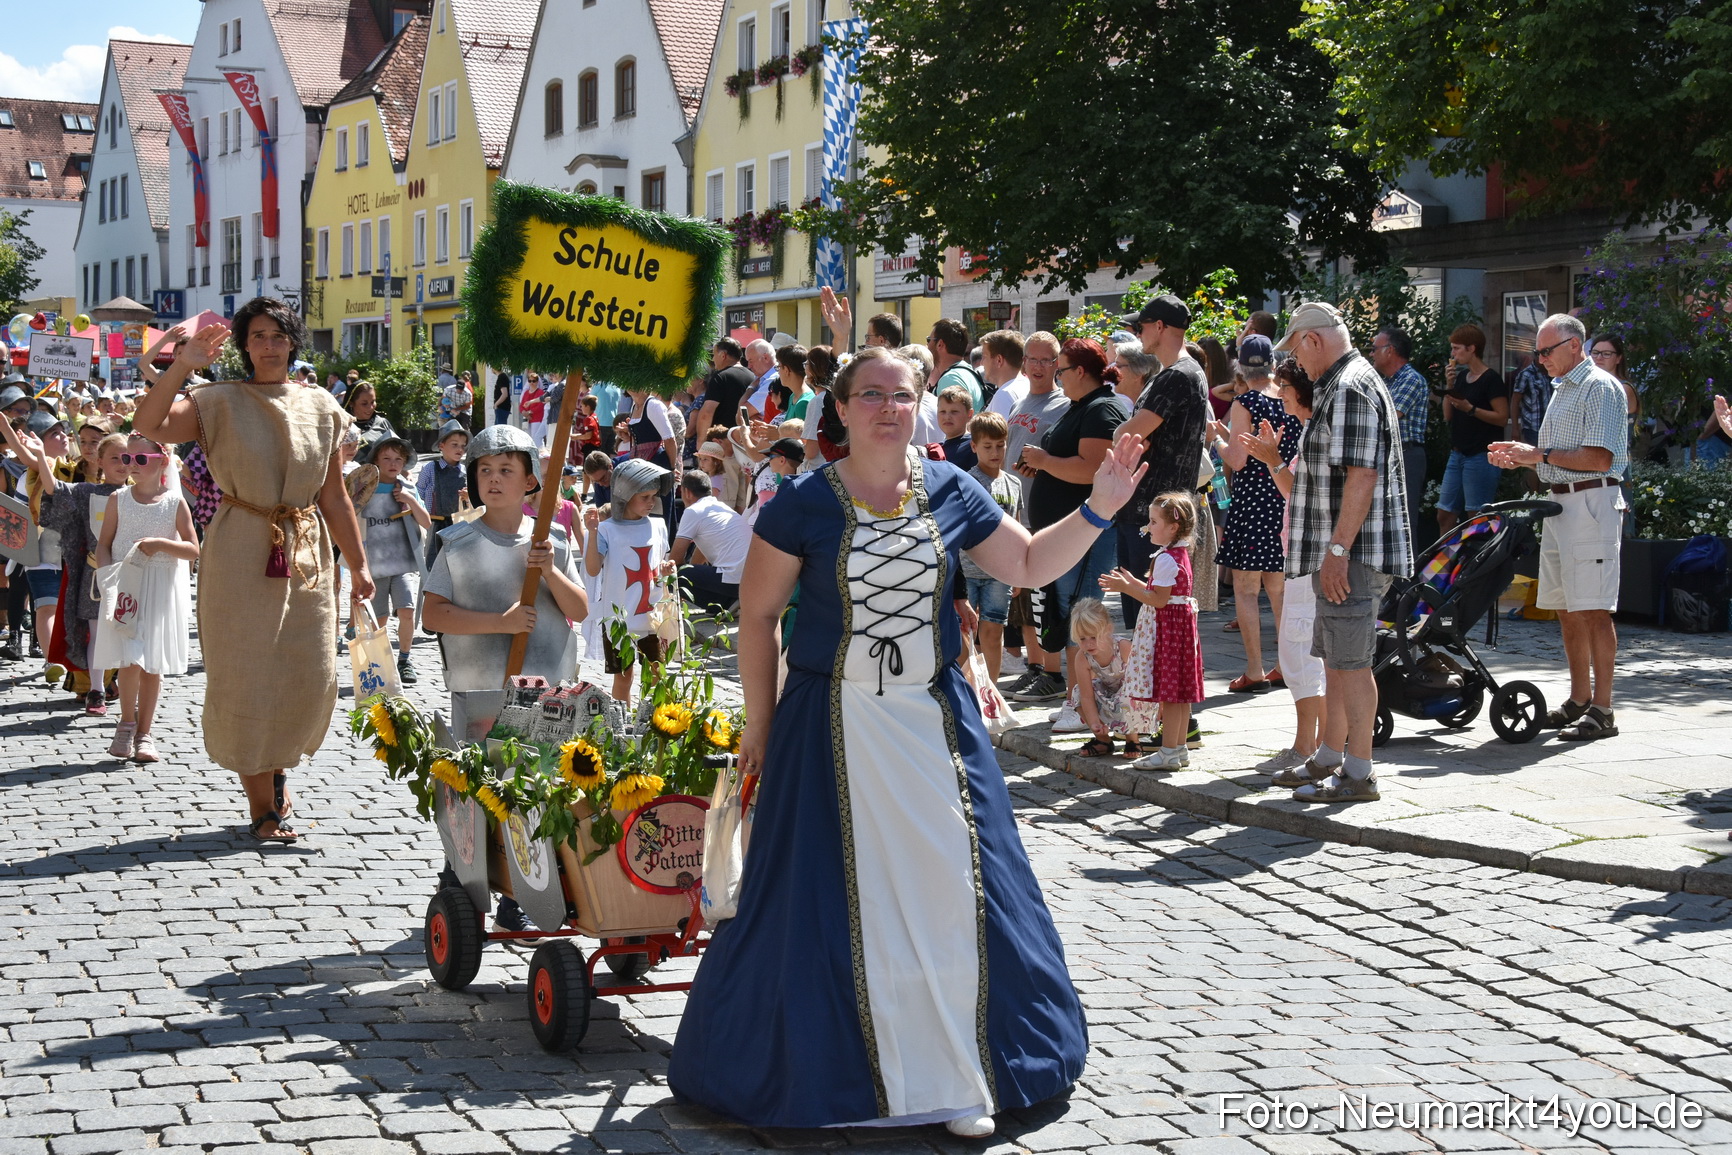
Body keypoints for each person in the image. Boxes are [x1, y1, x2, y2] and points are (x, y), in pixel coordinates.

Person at [670, 345, 1148, 1136]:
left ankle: (958, 1076)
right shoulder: (799, 505)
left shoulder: (953, 487)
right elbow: (756, 617)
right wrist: (760, 722)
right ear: (843, 406)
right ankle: (842, 1079)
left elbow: (1027, 563)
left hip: (934, 724)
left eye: (902, 394)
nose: (888, 408)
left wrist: (1099, 505)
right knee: (823, 900)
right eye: (871, 395)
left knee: (957, 889)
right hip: (827, 723)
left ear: (920, 402)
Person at [131, 297, 373, 844]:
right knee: (246, 677)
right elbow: (147, 425)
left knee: (305, 672)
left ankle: (278, 768)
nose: (268, 344)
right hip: (241, 547)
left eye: (278, 335)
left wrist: (358, 564)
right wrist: (184, 364)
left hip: (307, 550)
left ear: (293, 342)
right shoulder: (215, 400)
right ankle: (263, 807)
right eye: (258, 335)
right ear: (243, 344)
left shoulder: (321, 406)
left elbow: (334, 496)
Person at [1272, 301, 1412, 803]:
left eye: (1297, 352)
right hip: (1343, 550)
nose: (1299, 366)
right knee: (1336, 656)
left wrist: (1336, 549)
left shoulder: (1350, 386)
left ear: (1313, 340)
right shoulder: (1345, 381)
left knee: (1351, 662)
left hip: (1351, 552)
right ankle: (1333, 755)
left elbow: (1362, 475)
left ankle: (1358, 774)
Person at [1489, 313, 1629, 742]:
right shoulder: (1566, 385)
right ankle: (1579, 700)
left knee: (1592, 608)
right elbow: (1554, 456)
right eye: (1537, 351)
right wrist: (1524, 456)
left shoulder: (1599, 386)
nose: (1539, 358)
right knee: (1566, 608)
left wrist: (1536, 454)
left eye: (1546, 350)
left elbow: (1599, 459)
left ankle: (1602, 709)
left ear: (1574, 345)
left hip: (1591, 500)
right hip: (1561, 503)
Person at [423, 423, 588, 741]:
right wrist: (501, 622)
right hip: (479, 690)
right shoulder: (458, 544)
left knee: (543, 783)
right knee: (481, 786)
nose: (493, 478)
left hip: (547, 690)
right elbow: (432, 615)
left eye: (505, 469)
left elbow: (579, 611)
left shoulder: (550, 539)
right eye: (484, 469)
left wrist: (550, 572)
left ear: (530, 480)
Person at [1014, 338, 1127, 708]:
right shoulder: (1080, 406)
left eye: (1061, 370)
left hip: (1087, 533)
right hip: (1067, 532)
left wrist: (1046, 462)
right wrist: (1044, 464)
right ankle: (1079, 697)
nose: (1058, 377)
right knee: (1067, 613)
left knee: (1083, 616)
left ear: (1080, 371)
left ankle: (1088, 701)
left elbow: (1093, 469)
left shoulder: (1102, 409)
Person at [1239, 360, 1328, 774]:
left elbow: (1302, 495)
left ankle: (1310, 749)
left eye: (1286, 386)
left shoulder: (1316, 432)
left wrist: (1272, 458)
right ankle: (1310, 746)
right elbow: (1293, 492)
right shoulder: (1310, 430)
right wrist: (1272, 457)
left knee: (1302, 656)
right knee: (1299, 656)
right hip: (1302, 555)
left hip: (1311, 560)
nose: (1280, 391)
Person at [90, 434, 198, 764]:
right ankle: (126, 723)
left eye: (140, 460)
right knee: (130, 658)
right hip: (128, 587)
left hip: (161, 587)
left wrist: (160, 544)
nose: (132, 466)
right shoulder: (118, 500)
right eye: (126, 459)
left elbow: (194, 549)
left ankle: (145, 733)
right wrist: (107, 578)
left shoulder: (174, 503)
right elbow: (104, 543)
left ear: (162, 461)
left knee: (152, 663)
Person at [1113, 295, 1209, 630]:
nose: (1137, 332)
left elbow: (1130, 435)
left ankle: (1151, 683)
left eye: (1141, 326)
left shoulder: (1178, 375)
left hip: (1153, 515)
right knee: (1144, 622)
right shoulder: (1174, 373)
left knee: (1148, 622)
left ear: (1159, 327)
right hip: (1152, 512)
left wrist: (1124, 433)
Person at [1212, 334, 1301, 692]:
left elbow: (1236, 459)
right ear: (1273, 365)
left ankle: (1254, 670)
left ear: (1240, 367)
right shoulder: (1290, 399)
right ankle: (1286, 665)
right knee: (1278, 590)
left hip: (1251, 501)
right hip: (1283, 495)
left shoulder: (1245, 402)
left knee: (1247, 590)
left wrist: (1217, 438)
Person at [1101, 489, 1204, 770]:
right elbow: (1162, 592)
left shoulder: (1166, 558)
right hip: (1179, 630)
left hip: (1168, 632)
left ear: (1173, 527)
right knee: (1180, 694)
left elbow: (1158, 600)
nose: (1148, 527)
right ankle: (1179, 748)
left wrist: (1126, 588)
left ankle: (1169, 750)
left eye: (1154, 522)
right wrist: (1135, 582)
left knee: (1171, 694)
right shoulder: (1177, 553)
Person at [31, 431, 128, 713]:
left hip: (132, 576)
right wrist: (40, 456)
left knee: (129, 633)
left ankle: (128, 688)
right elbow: (55, 490)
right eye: (114, 458)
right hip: (94, 576)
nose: (122, 464)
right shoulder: (87, 493)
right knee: (97, 633)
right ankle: (96, 690)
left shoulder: (138, 495)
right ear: (99, 461)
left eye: (127, 457)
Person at [1000, 332, 1071, 702]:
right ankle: (1036, 666)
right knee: (1023, 599)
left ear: (1058, 363)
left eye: (1048, 360)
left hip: (1042, 512)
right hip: (1016, 509)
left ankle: (1053, 672)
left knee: (1045, 596)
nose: (1040, 366)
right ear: (1024, 362)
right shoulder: (1021, 401)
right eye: (1034, 359)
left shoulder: (1062, 405)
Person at [583, 458, 673, 703]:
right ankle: (622, 723)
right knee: (624, 677)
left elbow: (658, 567)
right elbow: (592, 569)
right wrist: (591, 533)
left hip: (651, 617)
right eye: (644, 496)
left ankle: (656, 722)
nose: (651, 502)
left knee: (658, 674)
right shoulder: (607, 530)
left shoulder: (658, 526)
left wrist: (666, 571)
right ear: (626, 495)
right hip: (618, 619)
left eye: (653, 496)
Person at [354, 435, 429, 685]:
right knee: (379, 620)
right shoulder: (363, 488)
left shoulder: (407, 488)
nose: (393, 463)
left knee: (407, 611)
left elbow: (426, 521)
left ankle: (405, 659)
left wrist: (408, 501)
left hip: (404, 563)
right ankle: (379, 663)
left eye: (398, 459)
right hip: (373, 565)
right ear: (375, 460)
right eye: (386, 458)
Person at [961, 411, 1022, 683]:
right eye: (987, 446)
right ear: (974, 446)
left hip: (1001, 573)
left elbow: (1018, 529)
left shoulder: (1014, 483)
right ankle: (963, 690)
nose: (995, 452)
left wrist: (1019, 570)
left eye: (1000, 445)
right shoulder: (965, 481)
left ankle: (992, 693)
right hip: (967, 570)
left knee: (993, 631)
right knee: (964, 632)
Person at [1436, 323, 1509, 535]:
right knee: (1444, 513)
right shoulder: (1461, 377)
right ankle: (1445, 565)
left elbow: (1502, 418)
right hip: (1458, 452)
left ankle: (1477, 564)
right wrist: (1449, 385)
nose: (1453, 353)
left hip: (1481, 455)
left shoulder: (1491, 379)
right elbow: (1447, 416)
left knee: (1476, 517)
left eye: (1457, 348)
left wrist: (1471, 409)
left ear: (1472, 348)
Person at [1370, 326, 1431, 546]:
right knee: (1384, 518)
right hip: (1388, 455)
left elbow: (1388, 418)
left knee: (1404, 519)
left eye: (1374, 348)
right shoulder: (1385, 382)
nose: (1371, 354)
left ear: (1390, 350)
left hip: (1407, 455)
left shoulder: (1411, 379)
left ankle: (1406, 579)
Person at [1066, 597, 1138, 760]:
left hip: (1132, 697)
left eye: (1093, 637)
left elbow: (1140, 682)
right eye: (1082, 639)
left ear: (1108, 630)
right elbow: (1086, 695)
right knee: (1076, 692)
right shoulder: (1082, 657)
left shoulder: (1123, 647)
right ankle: (1103, 740)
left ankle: (1133, 740)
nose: (1088, 644)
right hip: (1110, 694)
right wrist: (1094, 723)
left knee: (1126, 695)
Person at [672, 471, 749, 612]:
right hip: (748, 581)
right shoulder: (720, 507)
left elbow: (675, 559)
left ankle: (724, 606)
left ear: (687, 492)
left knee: (672, 573)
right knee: (686, 573)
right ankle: (730, 604)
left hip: (731, 579)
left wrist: (679, 585)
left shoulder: (693, 511)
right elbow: (702, 551)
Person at [417, 421, 468, 570]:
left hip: (459, 523)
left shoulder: (465, 471)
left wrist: (467, 496)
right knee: (435, 564)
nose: (460, 449)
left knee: (458, 565)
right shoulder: (430, 469)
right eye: (454, 444)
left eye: (463, 445)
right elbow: (419, 492)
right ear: (441, 446)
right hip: (436, 524)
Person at [691, 338, 755, 449]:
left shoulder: (720, 377)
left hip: (721, 443)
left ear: (723, 355)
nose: (713, 359)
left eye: (714, 354)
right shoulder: (753, 377)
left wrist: (701, 442)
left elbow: (707, 413)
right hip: (744, 440)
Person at [928, 318, 985, 411]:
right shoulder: (967, 371)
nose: (927, 345)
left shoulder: (950, 379)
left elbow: (953, 423)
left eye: (929, 340)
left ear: (940, 344)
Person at [981, 329, 1028, 420]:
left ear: (999, 360)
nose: (982, 363)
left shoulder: (1004, 395)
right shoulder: (1029, 386)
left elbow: (999, 434)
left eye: (984, 356)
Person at [344, 381, 396, 459]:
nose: (371, 407)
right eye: (364, 404)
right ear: (351, 403)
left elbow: (398, 454)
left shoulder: (383, 423)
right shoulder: (342, 427)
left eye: (373, 402)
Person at [935, 384, 977, 470]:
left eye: (954, 412)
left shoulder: (975, 447)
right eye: (942, 411)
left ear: (969, 414)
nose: (947, 417)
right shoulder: (937, 449)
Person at [519, 372, 547, 447]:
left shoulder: (541, 392)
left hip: (537, 419)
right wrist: (524, 412)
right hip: (527, 419)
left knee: (536, 438)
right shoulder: (525, 393)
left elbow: (540, 405)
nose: (531, 383)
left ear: (537, 382)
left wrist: (529, 412)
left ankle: (540, 454)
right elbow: (521, 406)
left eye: (533, 381)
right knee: (528, 439)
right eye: (530, 381)